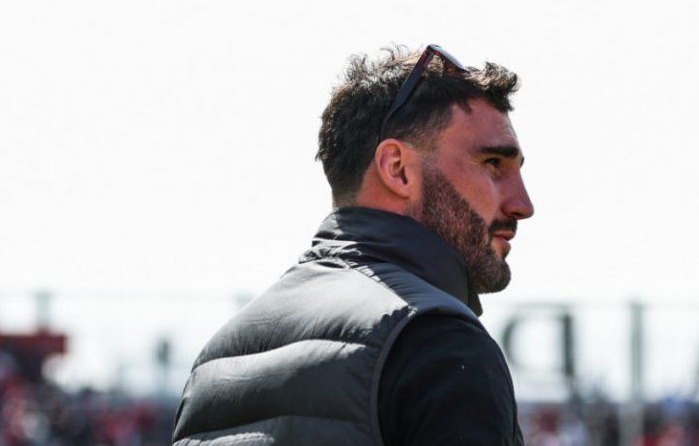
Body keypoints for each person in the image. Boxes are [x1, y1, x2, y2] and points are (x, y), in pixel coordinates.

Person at [172, 44, 534, 446]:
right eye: (492, 164)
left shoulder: (217, 360)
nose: (523, 205)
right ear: (397, 169)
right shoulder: (439, 341)